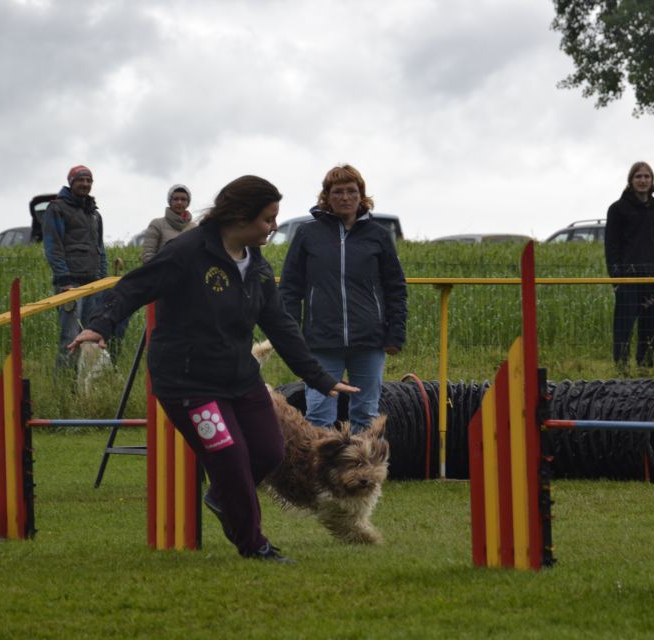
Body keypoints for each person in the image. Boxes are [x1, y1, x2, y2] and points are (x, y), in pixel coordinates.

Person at [68, 175, 358, 563]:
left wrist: (320, 378)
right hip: (188, 383)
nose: (274, 227)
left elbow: (281, 326)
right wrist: (99, 325)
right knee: (231, 458)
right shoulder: (187, 252)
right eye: (268, 219)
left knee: (270, 452)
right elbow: (133, 287)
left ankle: (222, 498)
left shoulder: (255, 265)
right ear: (241, 216)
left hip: (240, 377)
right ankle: (254, 545)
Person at [279, 164, 407, 432]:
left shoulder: (379, 235)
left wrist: (395, 334)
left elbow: (395, 287)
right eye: (338, 192)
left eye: (351, 191)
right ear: (327, 196)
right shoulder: (307, 234)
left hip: (369, 340)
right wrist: (293, 336)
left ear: (361, 195)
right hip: (321, 341)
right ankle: (321, 474)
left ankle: (366, 473)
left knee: (366, 413)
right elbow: (290, 289)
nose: (345, 197)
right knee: (319, 413)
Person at [42, 165, 108, 374]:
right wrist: (64, 280)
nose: (85, 184)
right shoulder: (57, 208)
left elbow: (100, 249)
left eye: (89, 181)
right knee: (69, 338)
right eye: (81, 180)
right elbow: (54, 247)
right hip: (70, 285)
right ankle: (63, 386)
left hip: (92, 285)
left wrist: (103, 281)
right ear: (71, 183)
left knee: (89, 336)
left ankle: (80, 385)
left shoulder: (94, 214)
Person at [604, 161, 654, 370]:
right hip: (628, 277)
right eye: (638, 177)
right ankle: (621, 367)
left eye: (646, 177)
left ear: (652, 181)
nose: (642, 180)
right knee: (624, 326)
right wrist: (616, 279)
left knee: (651, 327)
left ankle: (645, 368)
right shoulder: (617, 209)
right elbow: (611, 247)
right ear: (631, 181)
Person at [141, 184, 197, 264]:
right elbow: (147, 255)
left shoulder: (194, 228)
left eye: (183, 199)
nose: (179, 202)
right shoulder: (157, 224)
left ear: (188, 203)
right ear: (170, 201)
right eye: (176, 199)